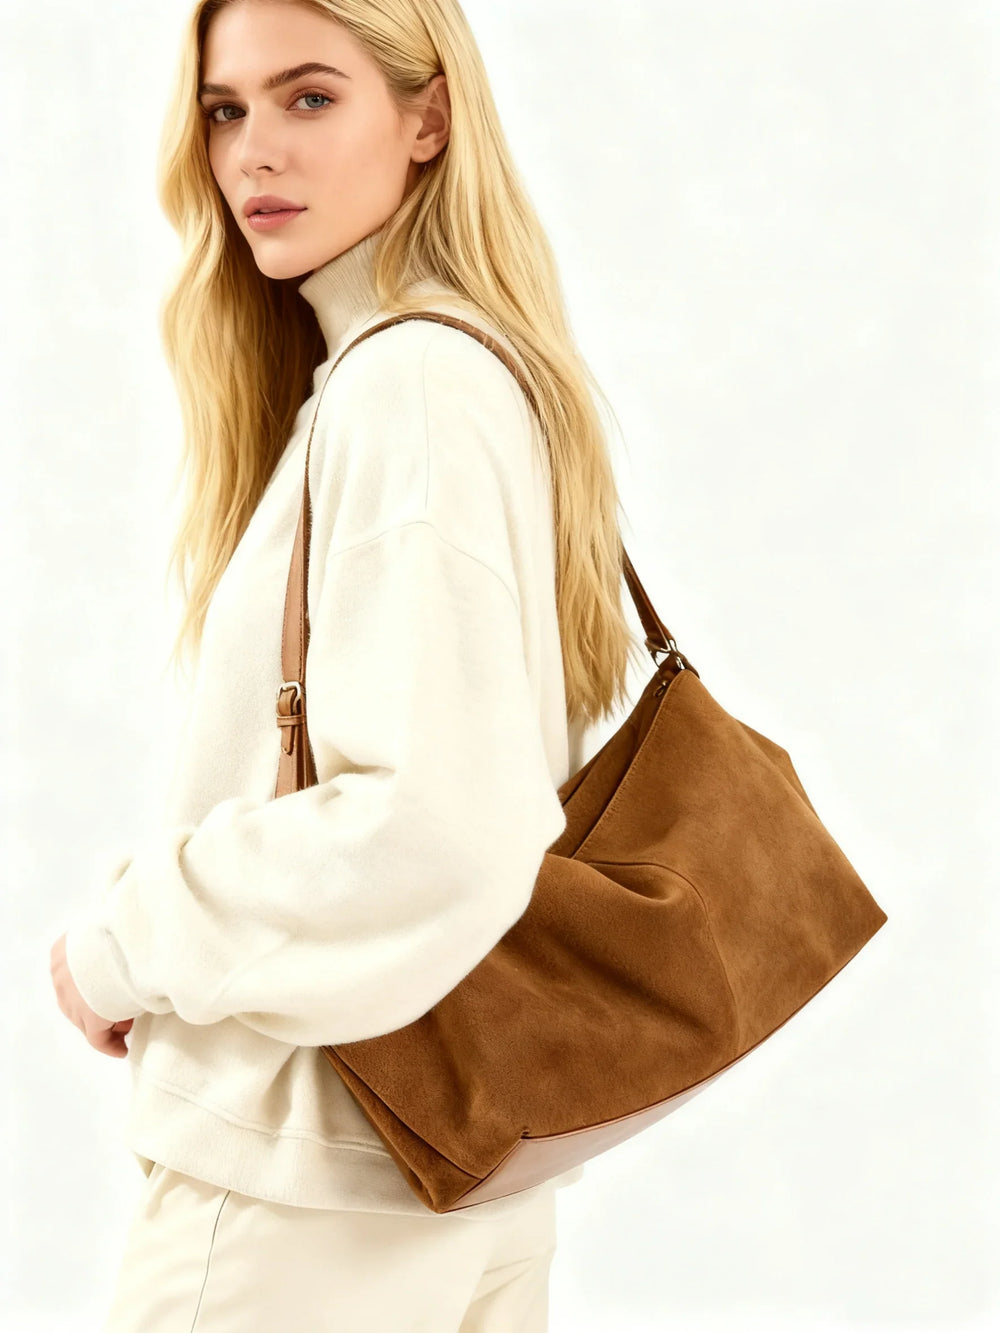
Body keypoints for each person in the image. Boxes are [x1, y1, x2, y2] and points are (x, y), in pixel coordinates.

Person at [48, 0, 645, 1328]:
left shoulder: (409, 386)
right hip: (453, 1167)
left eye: (309, 97)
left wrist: (125, 941)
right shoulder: (462, 374)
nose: (254, 151)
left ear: (428, 116)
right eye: (225, 110)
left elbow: (430, 823)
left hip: (305, 1187)